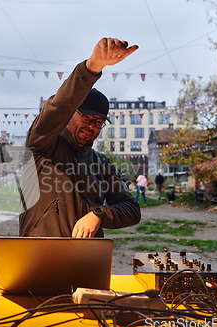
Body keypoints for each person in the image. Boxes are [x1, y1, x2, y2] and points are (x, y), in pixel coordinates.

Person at [18, 37, 141, 238]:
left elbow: (131, 209)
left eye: (98, 122)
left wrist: (99, 214)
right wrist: (93, 66)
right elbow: (60, 105)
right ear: (70, 114)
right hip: (39, 255)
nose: (92, 126)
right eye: (87, 118)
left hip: (88, 259)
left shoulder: (102, 163)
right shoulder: (42, 144)